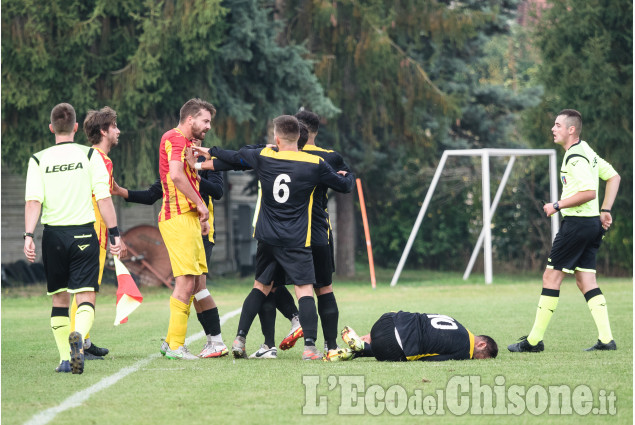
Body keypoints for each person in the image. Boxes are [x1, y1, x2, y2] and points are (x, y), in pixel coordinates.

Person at [226, 115, 355, 360]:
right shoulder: (324, 158)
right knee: (320, 288)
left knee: (266, 287)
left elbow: (237, 157)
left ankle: (261, 343)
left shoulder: (270, 155)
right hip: (310, 236)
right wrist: (347, 177)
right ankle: (325, 346)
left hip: (272, 234)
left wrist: (205, 160)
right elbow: (345, 183)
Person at [508, 109, 620, 353]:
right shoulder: (586, 150)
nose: (553, 128)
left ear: (571, 130)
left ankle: (534, 342)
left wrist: (556, 205)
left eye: (557, 125)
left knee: (551, 277)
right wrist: (606, 209)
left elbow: (589, 192)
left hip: (577, 225)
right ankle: (606, 339)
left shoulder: (576, 157)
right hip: (592, 225)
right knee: (586, 280)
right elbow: (613, 177)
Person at [24, 103, 123, 374]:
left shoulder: (37, 159)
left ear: (51, 128)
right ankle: (79, 335)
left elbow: (33, 201)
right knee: (85, 297)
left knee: (59, 299)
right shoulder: (90, 156)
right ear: (76, 128)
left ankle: (65, 359)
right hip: (83, 233)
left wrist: (28, 235)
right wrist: (114, 234)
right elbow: (103, 198)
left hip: (53, 235)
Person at [112, 141, 228, 358]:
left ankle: (215, 341)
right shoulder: (173, 162)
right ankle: (194, 341)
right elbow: (151, 194)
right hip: (183, 228)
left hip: (202, 231)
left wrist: (194, 173)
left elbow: (218, 191)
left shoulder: (206, 159)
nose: (194, 140)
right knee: (193, 287)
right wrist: (121, 192)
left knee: (197, 286)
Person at [156, 98, 217, 360]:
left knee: (193, 283)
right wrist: (200, 204)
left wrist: (200, 213)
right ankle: (176, 346)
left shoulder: (188, 144)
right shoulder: (176, 137)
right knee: (186, 282)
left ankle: (171, 341)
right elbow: (176, 175)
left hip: (188, 218)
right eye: (205, 121)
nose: (208, 126)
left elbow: (188, 174)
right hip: (177, 216)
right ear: (190, 119)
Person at [69, 106, 126, 361]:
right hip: (93, 233)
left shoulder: (83, 157)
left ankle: (84, 339)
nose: (118, 131)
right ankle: (77, 344)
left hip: (73, 229)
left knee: (82, 289)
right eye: (114, 126)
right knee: (86, 290)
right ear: (103, 131)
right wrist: (115, 234)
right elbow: (103, 199)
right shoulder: (102, 160)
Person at [327, 311, 498, 362]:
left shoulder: (458, 323)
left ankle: (357, 349)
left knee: (405, 321)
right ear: (481, 345)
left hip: (385, 321)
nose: (478, 360)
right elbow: (429, 360)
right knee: (407, 352)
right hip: (390, 347)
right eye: (483, 357)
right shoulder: (464, 352)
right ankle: (364, 348)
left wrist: (376, 333)